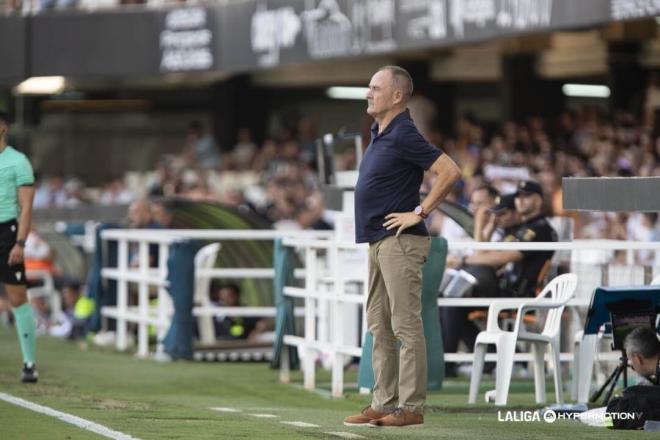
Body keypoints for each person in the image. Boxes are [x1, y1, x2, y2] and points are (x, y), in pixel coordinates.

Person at [344, 66, 461, 428]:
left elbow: (450, 171)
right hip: (378, 241)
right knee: (379, 324)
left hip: (401, 242)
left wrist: (419, 212)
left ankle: (410, 407)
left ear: (397, 95)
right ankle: (383, 402)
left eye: (375, 87)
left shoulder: (404, 132)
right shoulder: (380, 132)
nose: (368, 93)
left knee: (405, 326)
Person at [0, 110, 38, 383]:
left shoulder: (18, 162)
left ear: (3, 128)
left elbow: (26, 207)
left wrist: (20, 242)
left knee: (17, 298)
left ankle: (29, 362)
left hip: (7, 232)